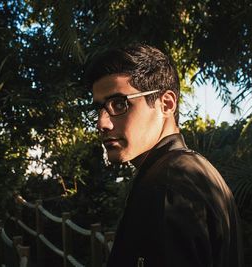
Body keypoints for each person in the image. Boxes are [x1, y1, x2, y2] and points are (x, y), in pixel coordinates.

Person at [84, 44, 243, 267]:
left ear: (166, 104)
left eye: (119, 104)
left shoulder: (169, 184)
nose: (102, 123)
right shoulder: (190, 170)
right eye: (98, 109)